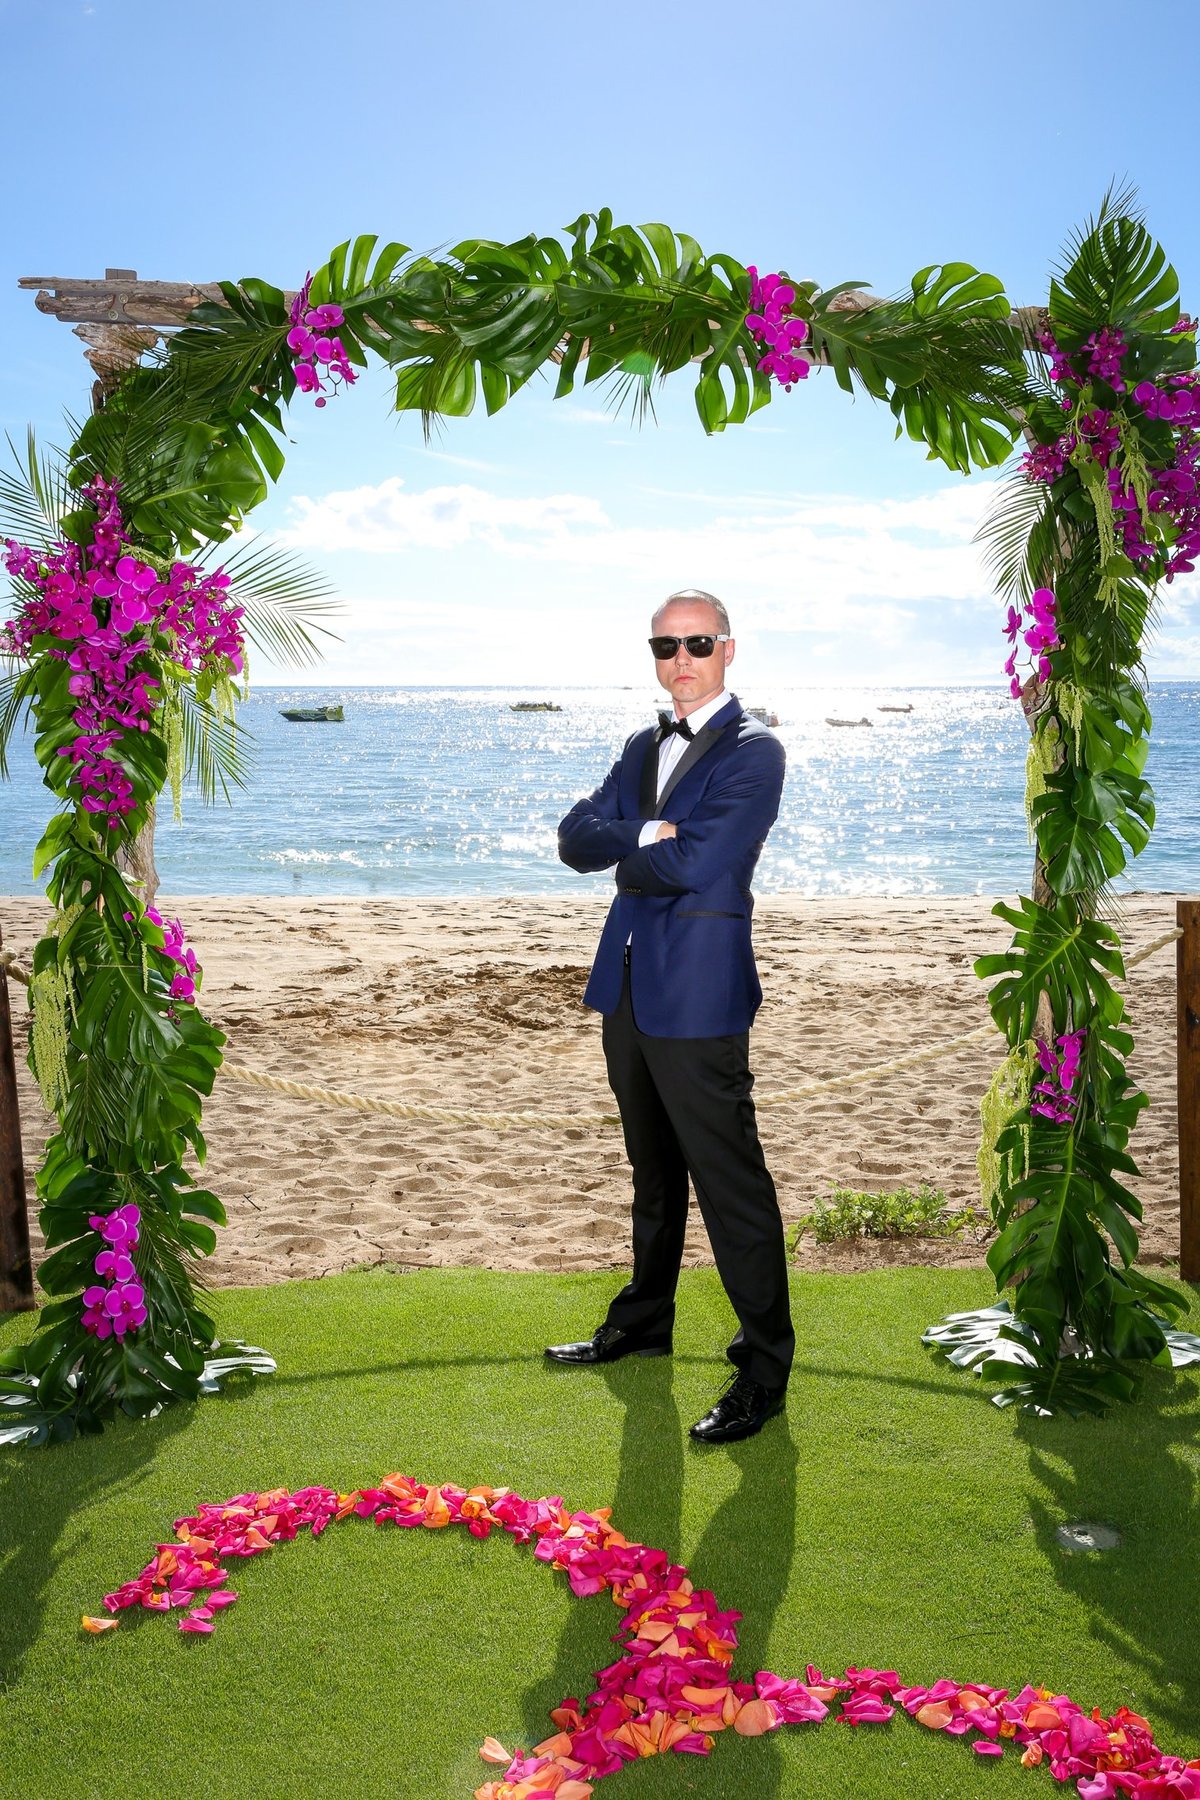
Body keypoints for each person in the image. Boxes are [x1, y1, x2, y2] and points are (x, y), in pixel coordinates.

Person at [548, 589, 793, 1443]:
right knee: (652, 1174)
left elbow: (696, 862)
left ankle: (764, 1368)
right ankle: (644, 1321)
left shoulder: (755, 752)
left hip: (698, 995)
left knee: (730, 1185)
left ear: (728, 648)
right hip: (626, 986)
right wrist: (645, 835)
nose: (679, 660)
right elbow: (574, 838)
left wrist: (639, 844)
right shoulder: (641, 743)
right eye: (664, 645)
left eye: (695, 643)